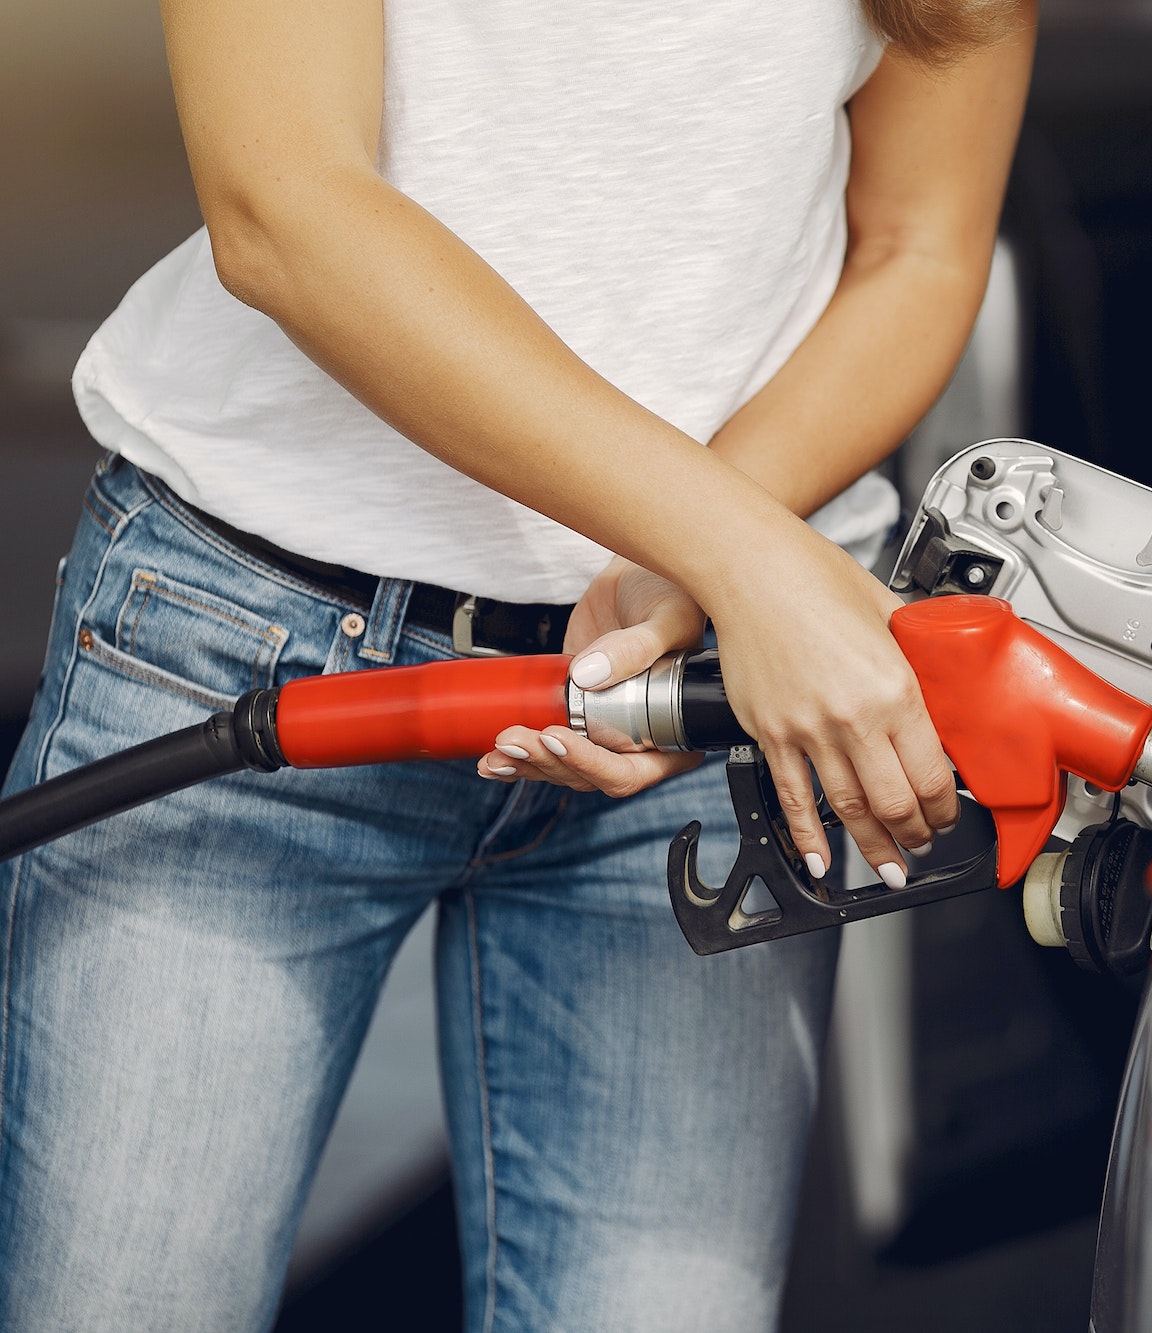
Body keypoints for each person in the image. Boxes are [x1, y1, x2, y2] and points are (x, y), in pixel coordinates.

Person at [0, 0, 1034, 1326]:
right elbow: (284, 204)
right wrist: (740, 553)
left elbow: (917, 247)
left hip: (701, 707)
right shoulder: (736, 563)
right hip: (250, 643)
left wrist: (703, 571)